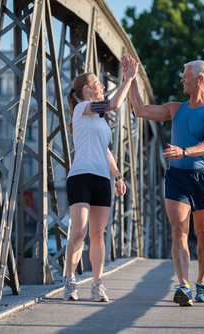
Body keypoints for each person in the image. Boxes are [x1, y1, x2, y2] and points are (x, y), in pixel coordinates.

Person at [125, 55, 204, 306]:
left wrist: (185, 151)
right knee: (179, 230)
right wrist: (131, 79)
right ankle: (184, 285)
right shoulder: (175, 108)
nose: (182, 79)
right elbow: (140, 110)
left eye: (186, 76)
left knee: (203, 234)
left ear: (200, 79)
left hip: (202, 177)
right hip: (176, 177)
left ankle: (202, 281)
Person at [63, 56, 139, 302]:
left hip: (101, 180)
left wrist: (118, 175)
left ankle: (97, 284)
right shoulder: (81, 109)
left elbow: (105, 150)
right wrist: (128, 79)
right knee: (79, 232)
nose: (102, 86)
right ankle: (70, 281)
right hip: (80, 177)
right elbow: (115, 104)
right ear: (87, 89)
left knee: (98, 234)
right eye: (98, 83)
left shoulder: (99, 121)